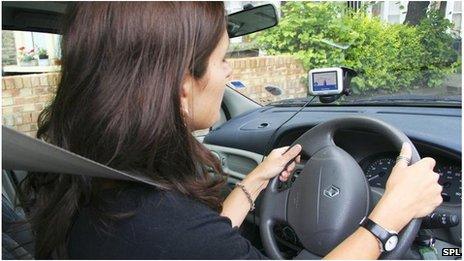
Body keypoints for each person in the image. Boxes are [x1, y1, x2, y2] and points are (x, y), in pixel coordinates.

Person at [19, 2, 443, 259]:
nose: (229, 72)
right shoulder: (157, 224)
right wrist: (388, 217)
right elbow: (187, 242)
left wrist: (254, 183)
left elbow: (198, 245)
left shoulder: (94, 178)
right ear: (183, 86)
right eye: (223, 59)